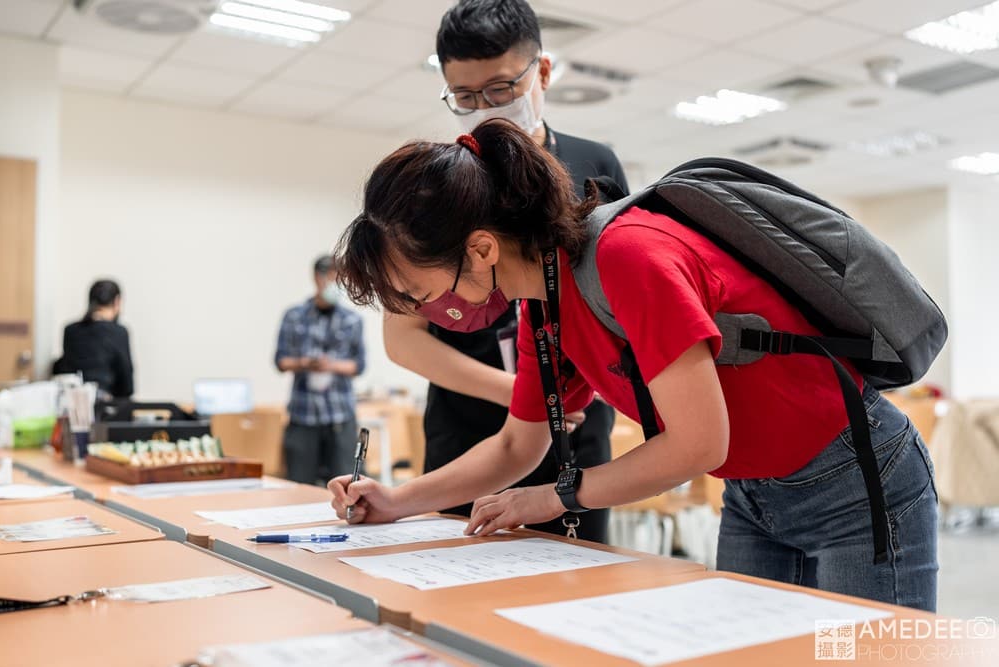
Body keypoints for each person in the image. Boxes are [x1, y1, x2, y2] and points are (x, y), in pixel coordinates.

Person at [328, 119, 939, 612]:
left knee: (869, 658)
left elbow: (698, 443)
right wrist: (396, 501)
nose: (425, 310)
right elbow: (518, 445)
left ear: (481, 248)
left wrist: (557, 497)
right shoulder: (545, 302)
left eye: (417, 289)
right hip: (754, 493)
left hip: (856, 479)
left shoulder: (628, 259)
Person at [381, 0, 629, 543]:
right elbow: (403, 340)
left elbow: (614, 307)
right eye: (464, 96)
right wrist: (520, 392)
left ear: (540, 71)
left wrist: (561, 398)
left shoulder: (595, 167)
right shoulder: (439, 186)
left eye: (499, 90)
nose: (484, 108)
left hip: (577, 427)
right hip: (471, 434)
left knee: (581, 586)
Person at [275, 255, 366, 485]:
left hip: (340, 416)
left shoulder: (352, 320)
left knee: (348, 484)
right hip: (303, 414)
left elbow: (359, 365)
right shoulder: (294, 316)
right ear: (317, 277)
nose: (337, 285)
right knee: (298, 486)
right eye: (333, 278)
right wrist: (306, 363)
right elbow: (281, 361)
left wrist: (331, 365)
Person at [54, 279, 134, 399]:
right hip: (105, 405)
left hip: (71, 402)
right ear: (117, 302)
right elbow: (127, 386)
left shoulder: (70, 330)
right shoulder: (118, 332)